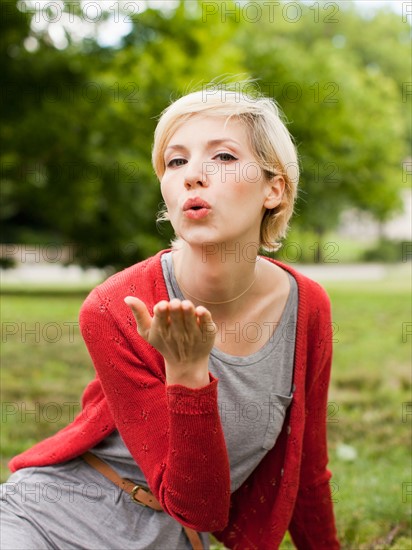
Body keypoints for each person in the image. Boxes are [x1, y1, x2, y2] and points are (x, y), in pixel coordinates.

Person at [0, 86, 340, 549]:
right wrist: (186, 371)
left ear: (273, 189)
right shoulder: (114, 306)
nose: (193, 176)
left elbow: (306, 474)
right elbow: (195, 505)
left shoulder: (307, 308)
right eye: (176, 161)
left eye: (222, 157)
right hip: (46, 520)